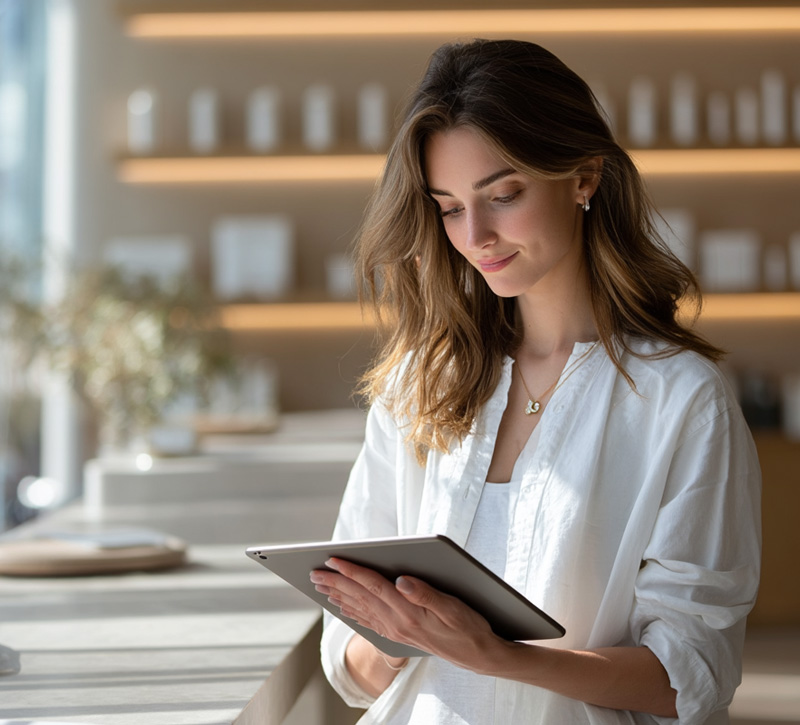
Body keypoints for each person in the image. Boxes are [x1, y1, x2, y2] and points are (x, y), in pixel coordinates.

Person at [310, 39, 761, 724]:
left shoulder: (681, 401)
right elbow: (350, 665)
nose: (477, 234)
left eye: (504, 194)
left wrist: (495, 653)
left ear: (583, 177)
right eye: (450, 207)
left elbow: (691, 675)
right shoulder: (418, 383)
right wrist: (397, 633)